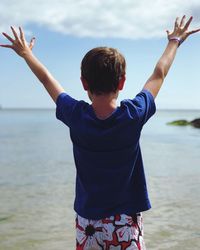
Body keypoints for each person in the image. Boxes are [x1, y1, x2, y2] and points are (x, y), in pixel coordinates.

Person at [1, 16, 199, 250]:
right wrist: (174, 41)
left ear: (84, 83)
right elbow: (159, 74)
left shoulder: (75, 115)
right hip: (125, 222)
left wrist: (26, 53)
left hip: (88, 225)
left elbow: (46, 79)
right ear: (122, 82)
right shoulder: (133, 114)